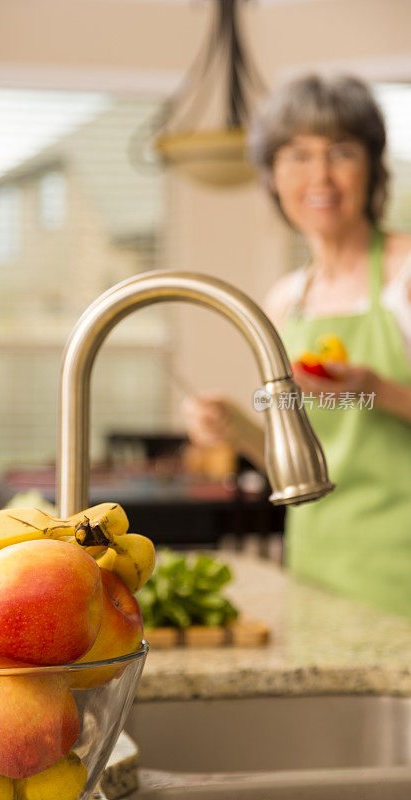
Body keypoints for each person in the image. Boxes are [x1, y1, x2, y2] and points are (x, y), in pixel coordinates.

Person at [183, 74, 411, 619]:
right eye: (297, 156)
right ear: (273, 177)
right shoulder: (287, 301)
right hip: (314, 568)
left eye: (341, 151)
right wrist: (235, 428)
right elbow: (297, 467)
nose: (320, 175)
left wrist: (377, 389)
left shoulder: (407, 273)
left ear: (373, 169)